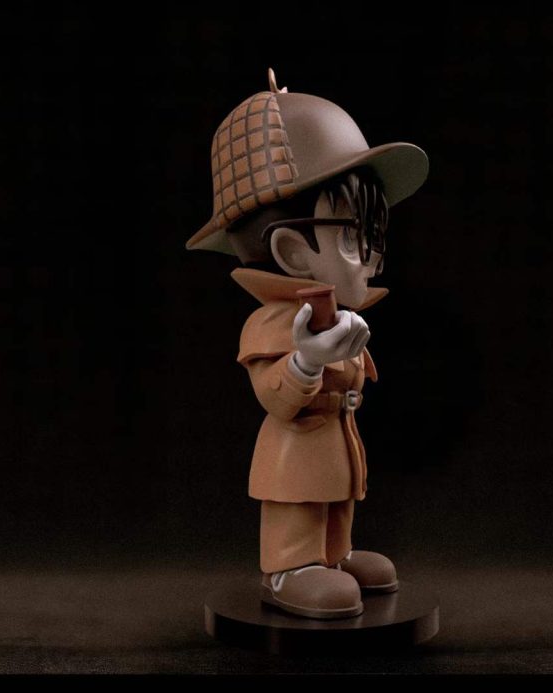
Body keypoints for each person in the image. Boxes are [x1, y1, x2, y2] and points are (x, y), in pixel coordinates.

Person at [185, 69, 428, 619]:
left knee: (336, 503)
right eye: (354, 238)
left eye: (373, 238)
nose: (372, 260)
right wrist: (307, 361)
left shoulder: (337, 315)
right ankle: (288, 568)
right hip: (294, 449)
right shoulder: (273, 324)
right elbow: (275, 396)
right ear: (294, 252)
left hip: (337, 441)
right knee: (298, 504)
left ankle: (334, 557)